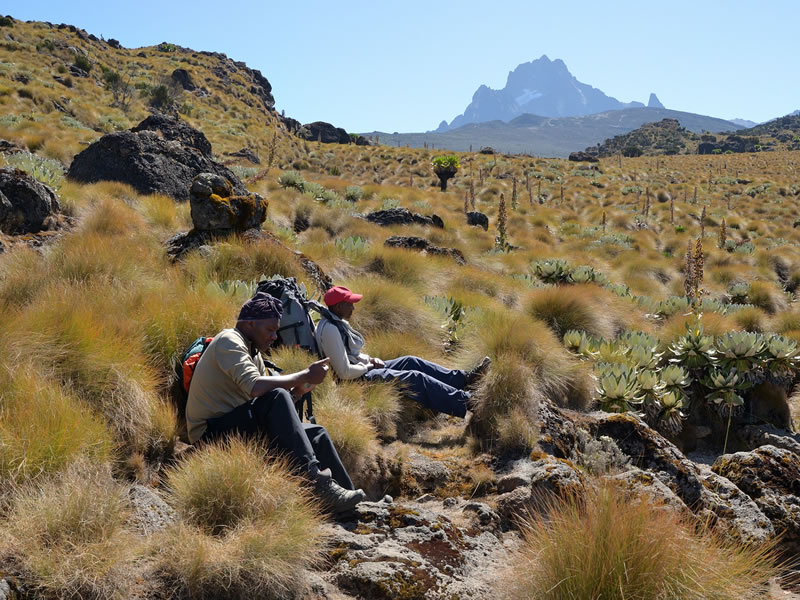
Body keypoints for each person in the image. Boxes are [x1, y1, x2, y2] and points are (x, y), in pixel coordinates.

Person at [186, 291, 365, 513]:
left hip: (235, 425)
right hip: (209, 436)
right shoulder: (229, 341)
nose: (273, 337)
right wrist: (305, 374)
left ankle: (347, 500)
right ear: (249, 324)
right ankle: (316, 484)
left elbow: (272, 404)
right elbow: (256, 388)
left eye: (276, 331)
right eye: (270, 330)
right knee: (277, 395)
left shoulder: (255, 353)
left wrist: (298, 391)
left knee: (316, 432)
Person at [315, 285, 491, 418]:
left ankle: (463, 379)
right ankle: (466, 401)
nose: (353, 307)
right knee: (415, 378)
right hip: (352, 381)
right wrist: (368, 367)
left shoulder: (335, 322)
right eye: (349, 304)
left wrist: (370, 359)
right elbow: (344, 373)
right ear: (338, 307)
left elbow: (349, 355)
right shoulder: (330, 329)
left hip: (358, 370)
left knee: (410, 361)